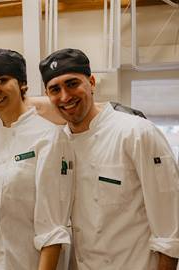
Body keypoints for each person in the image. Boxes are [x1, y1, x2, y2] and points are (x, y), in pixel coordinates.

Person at [39, 48, 179, 270]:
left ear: (92, 82)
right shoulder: (57, 145)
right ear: (48, 95)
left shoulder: (136, 133)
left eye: (72, 84)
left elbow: (170, 228)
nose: (65, 96)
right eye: (55, 89)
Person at [0, 48, 73, 270]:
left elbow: (53, 228)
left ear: (23, 84)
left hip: (25, 262)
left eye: (2, 80)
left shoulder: (48, 138)